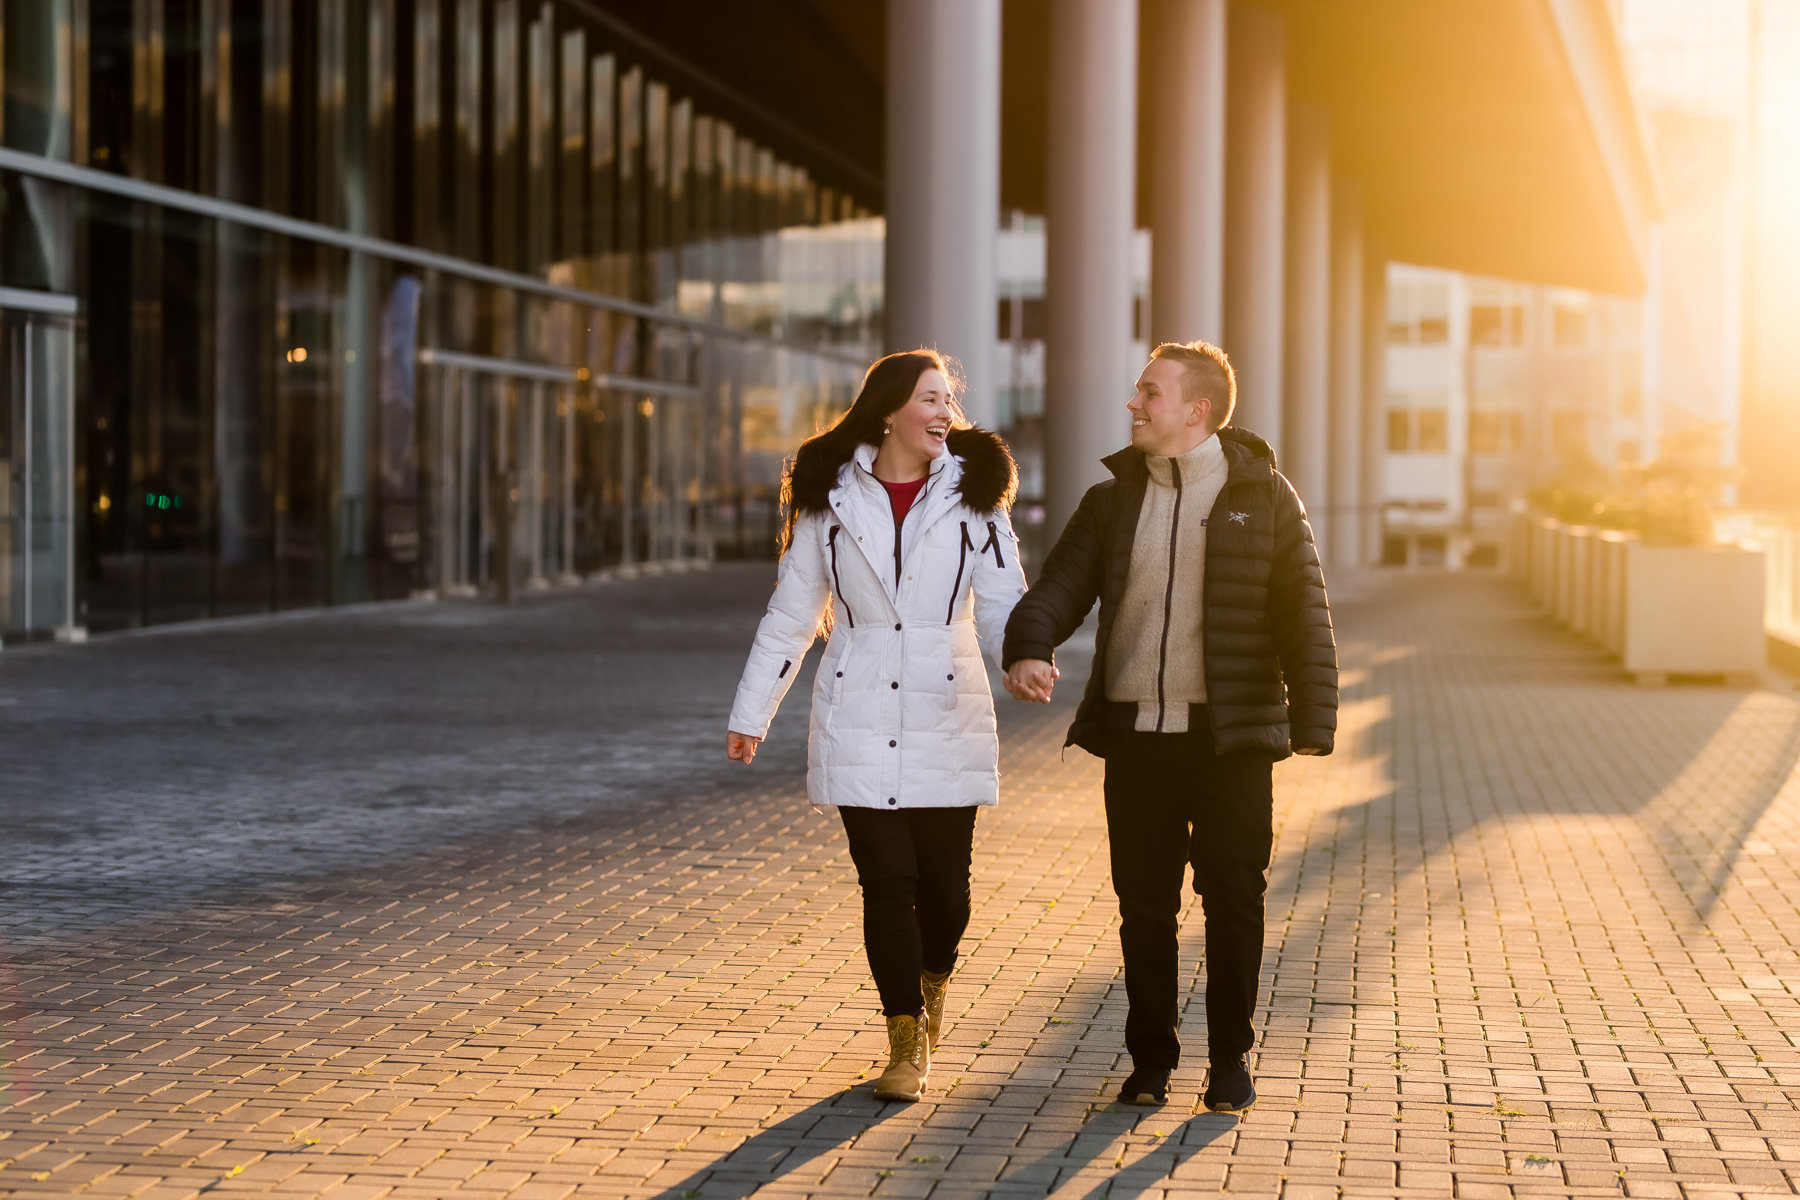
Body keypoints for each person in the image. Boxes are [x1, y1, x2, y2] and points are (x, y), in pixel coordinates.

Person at [1000, 340, 1337, 1113]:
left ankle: (1229, 1061)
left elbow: (1304, 614)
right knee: (1144, 906)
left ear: (1196, 410)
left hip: (1231, 743)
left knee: (1234, 899)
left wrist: (1314, 718)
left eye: (1149, 392)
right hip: (1137, 741)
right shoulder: (1112, 500)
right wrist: (1029, 647)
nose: (1133, 404)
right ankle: (1150, 1058)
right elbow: (1060, 586)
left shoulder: (1267, 496)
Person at [726, 349, 1027, 1102]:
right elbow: (791, 617)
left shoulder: (978, 497)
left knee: (946, 893)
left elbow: (1002, 602)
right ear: (890, 410)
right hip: (856, 707)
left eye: (950, 401)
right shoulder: (828, 502)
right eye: (931, 399)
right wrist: (751, 713)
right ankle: (904, 1041)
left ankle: (931, 991)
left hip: (946, 707)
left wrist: (1025, 659)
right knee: (886, 883)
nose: (945, 413)